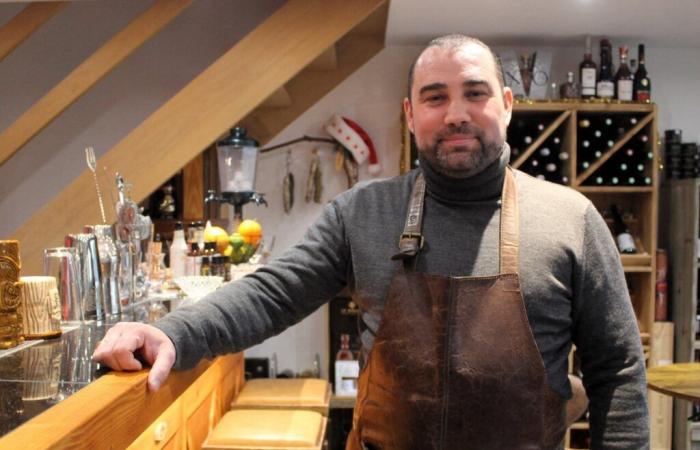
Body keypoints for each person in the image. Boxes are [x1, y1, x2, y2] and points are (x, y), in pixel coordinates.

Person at [93, 34, 649, 449]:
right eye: (434, 98)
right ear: (411, 115)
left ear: (506, 103)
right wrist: (173, 332)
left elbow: (619, 371)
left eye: (474, 94)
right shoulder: (364, 212)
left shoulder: (571, 218)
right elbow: (273, 293)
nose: (455, 114)